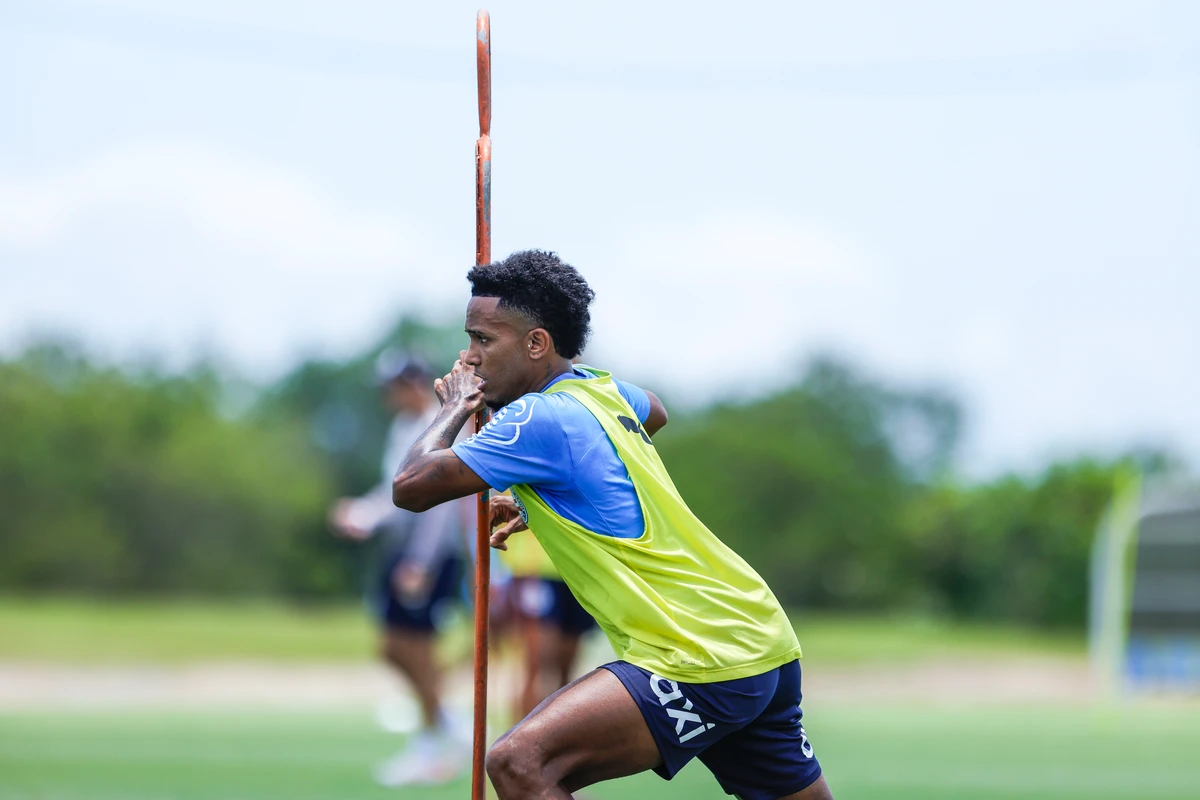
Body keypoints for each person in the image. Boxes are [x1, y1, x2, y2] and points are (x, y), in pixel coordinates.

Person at [390, 250, 834, 799]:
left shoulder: (538, 416)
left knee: (519, 764)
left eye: (484, 339)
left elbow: (410, 486)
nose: (469, 357)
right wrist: (543, 501)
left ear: (536, 343)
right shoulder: (598, 387)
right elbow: (655, 410)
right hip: (758, 635)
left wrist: (456, 407)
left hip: (697, 653)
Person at [328, 351, 471, 787]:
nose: (387, 397)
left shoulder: (438, 424)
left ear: (411, 384)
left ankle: (430, 746)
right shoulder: (402, 427)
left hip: (427, 555)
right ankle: (452, 729)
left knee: (417, 650)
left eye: (392, 387)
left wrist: (421, 563)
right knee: (394, 648)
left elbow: (440, 505)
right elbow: (396, 491)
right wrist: (365, 514)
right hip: (402, 549)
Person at [494, 502, 597, 722]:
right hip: (535, 569)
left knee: (567, 670)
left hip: (579, 568)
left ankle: (562, 737)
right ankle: (520, 739)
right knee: (537, 666)